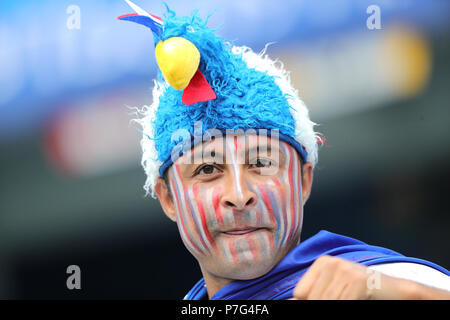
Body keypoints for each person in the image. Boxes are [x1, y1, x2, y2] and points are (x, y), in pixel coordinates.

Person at [119, 1, 450, 299]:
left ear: (305, 181)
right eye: (207, 170)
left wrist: (398, 292)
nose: (239, 194)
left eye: (262, 162)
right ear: (168, 199)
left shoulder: (385, 284)